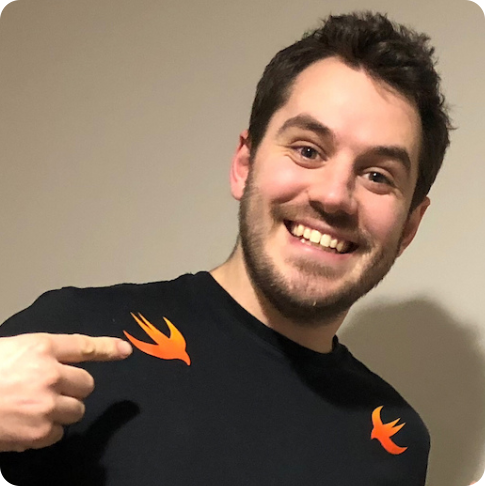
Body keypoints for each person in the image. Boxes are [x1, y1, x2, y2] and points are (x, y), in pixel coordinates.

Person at [0, 11, 479, 486]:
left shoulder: (397, 444)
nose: (334, 195)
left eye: (377, 176)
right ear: (244, 165)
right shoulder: (71, 336)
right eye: (308, 150)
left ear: (409, 226)